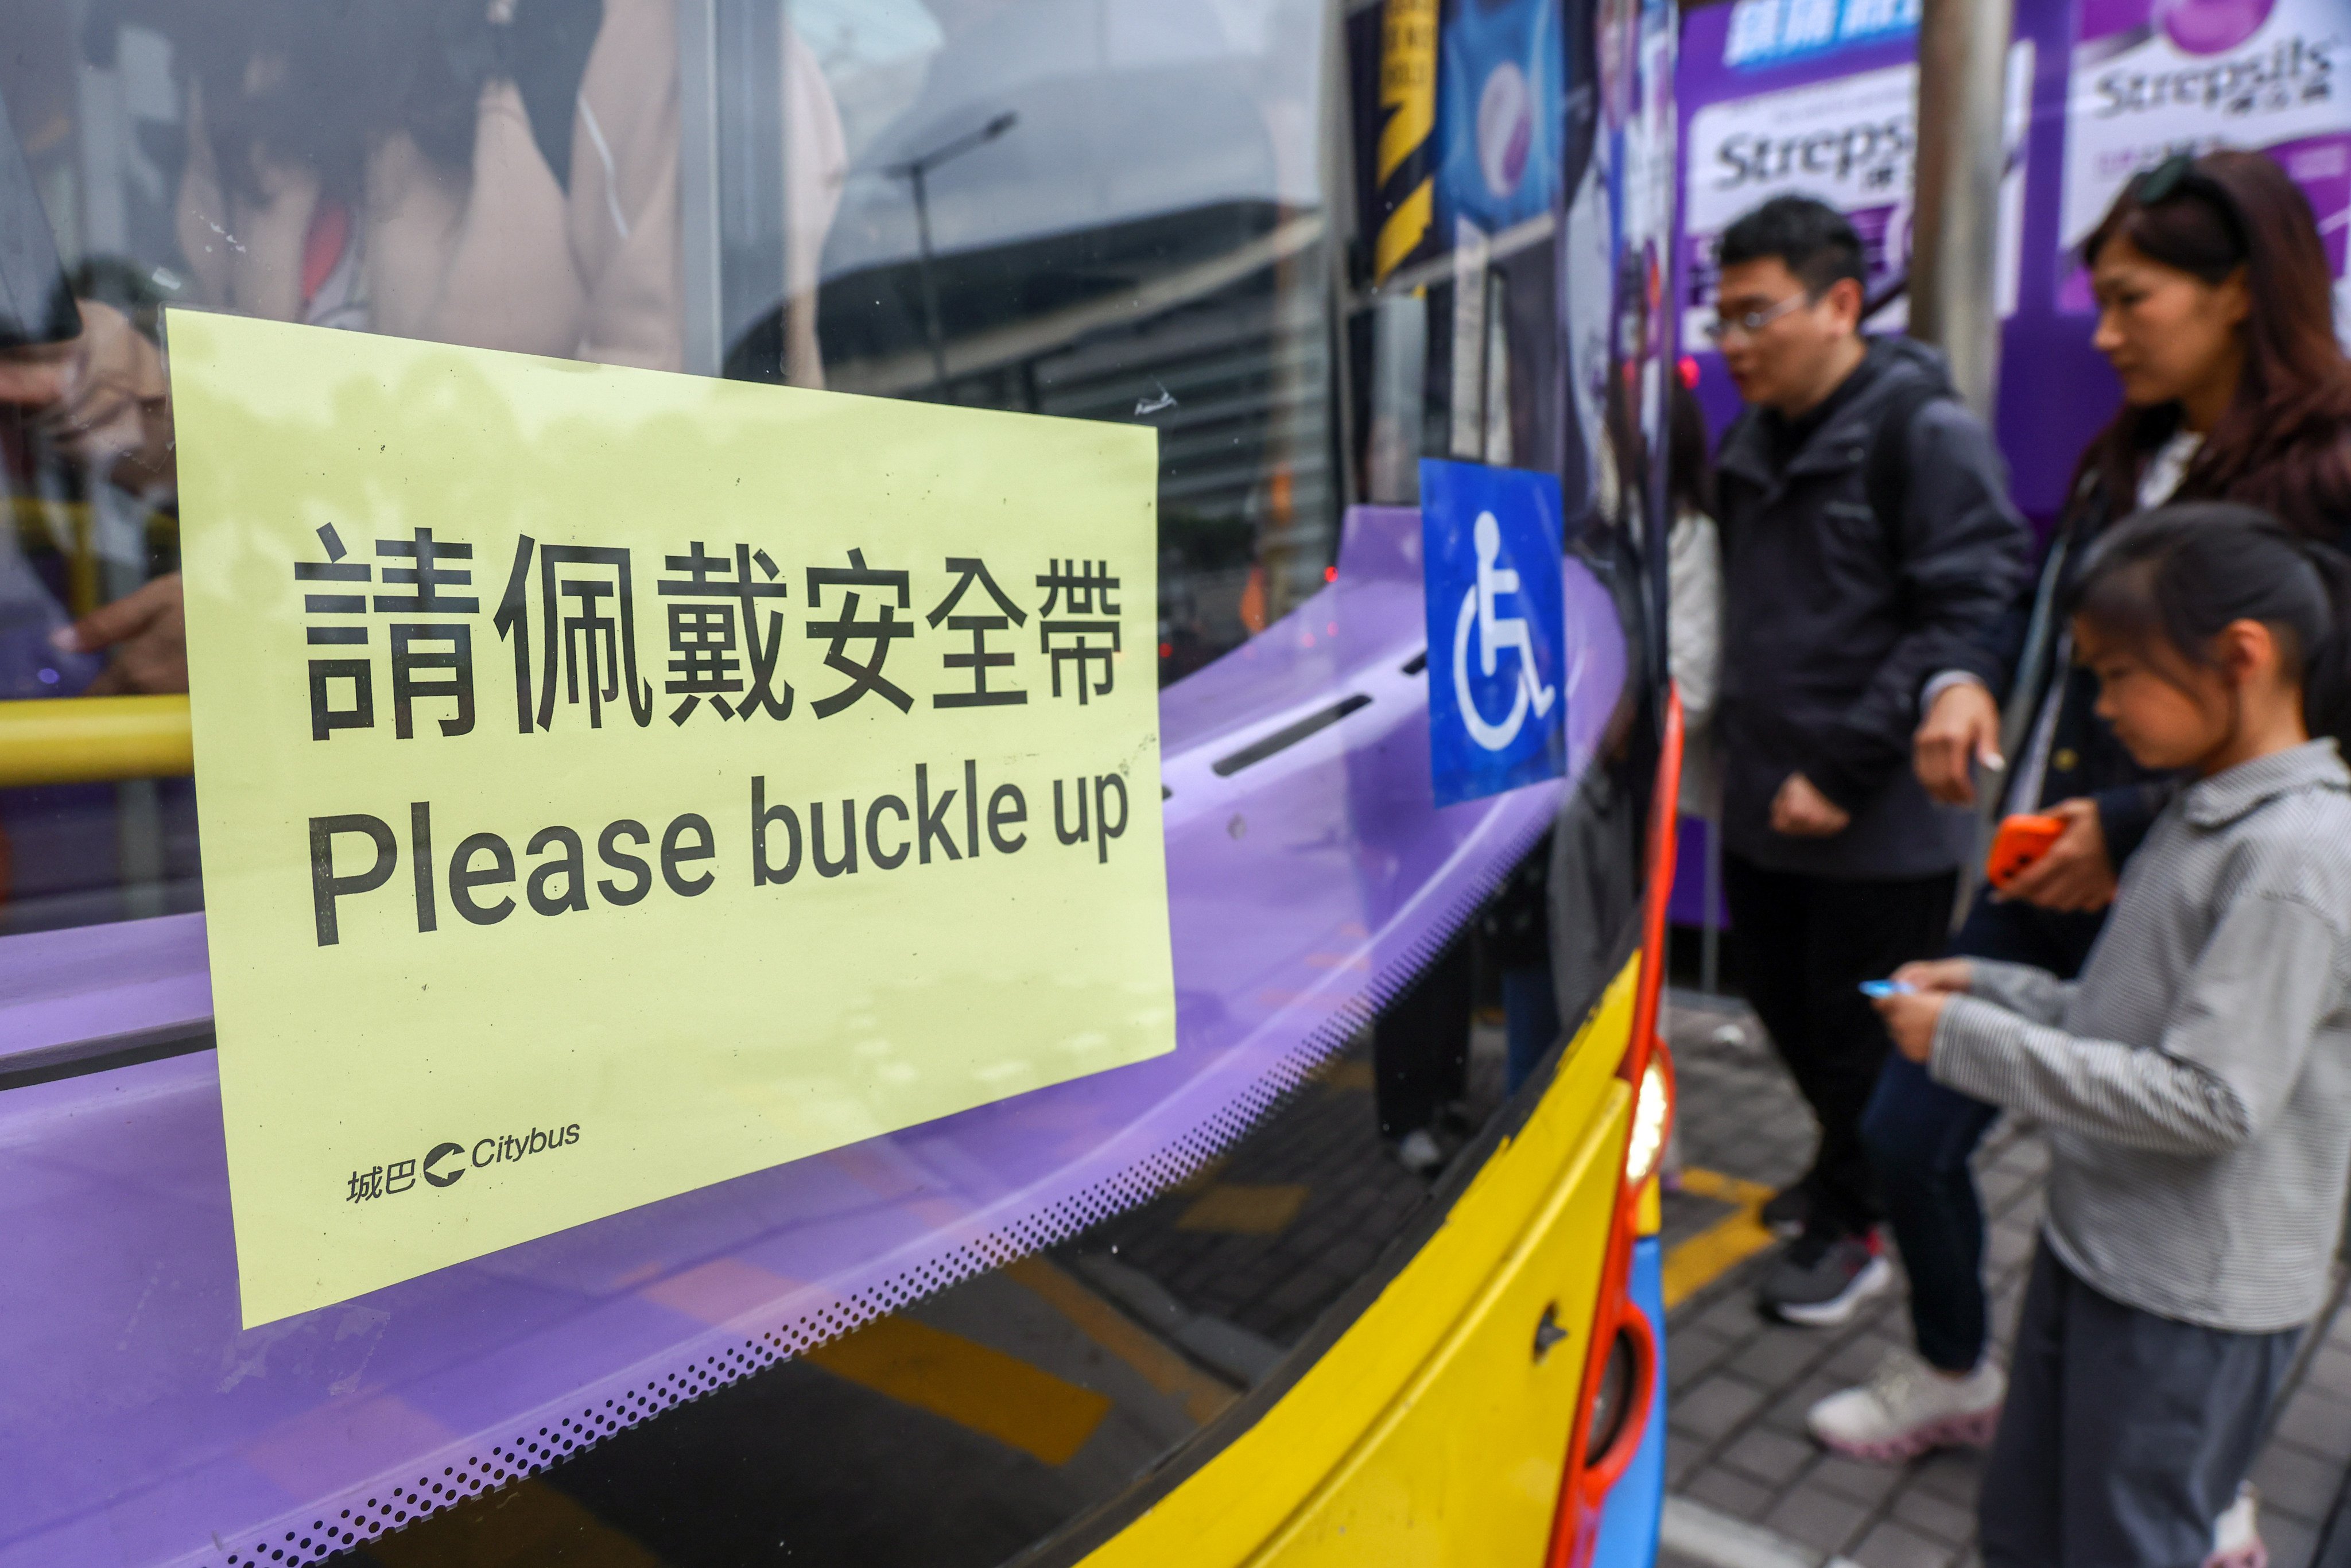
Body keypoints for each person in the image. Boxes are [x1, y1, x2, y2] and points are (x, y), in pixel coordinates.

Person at [1812, 149, 2351, 1461]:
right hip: (2045, 866)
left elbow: (2309, 738)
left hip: (2198, 901)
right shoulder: (2128, 452)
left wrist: (2124, 825)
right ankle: (1957, 1366)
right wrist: (1966, 681)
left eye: (2131, 299)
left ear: (2239, 292)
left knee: (2194, 1169)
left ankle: (2198, 1472)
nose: (2102, 334)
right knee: (1908, 1125)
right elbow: (2029, 611)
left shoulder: (2329, 477)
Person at [1872, 505, 2351, 1568]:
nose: (2099, 704)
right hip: (2104, 1250)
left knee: (2127, 1542)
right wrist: (1989, 986)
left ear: (2240, 658)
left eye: (2120, 673)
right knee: (2028, 1525)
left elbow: (2209, 1098)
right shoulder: (2205, 808)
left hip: (2190, 1299)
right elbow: (2120, 1024)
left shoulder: (2296, 858)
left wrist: (1964, 1041)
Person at [1707, 195, 2027, 1325]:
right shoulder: (1744, 447)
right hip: (1757, 799)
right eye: (1721, 317)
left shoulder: (1915, 433)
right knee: (1786, 1011)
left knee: (1859, 1037)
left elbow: (1971, 605)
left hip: (1876, 820)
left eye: (1756, 315)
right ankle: (1842, 1175)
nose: (1732, 342)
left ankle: (1858, 1227)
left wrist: (1842, 772)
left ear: (1840, 303)